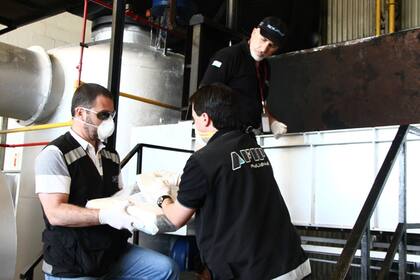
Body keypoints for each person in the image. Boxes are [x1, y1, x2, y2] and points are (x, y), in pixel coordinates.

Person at [139, 84, 311, 279]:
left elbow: (174, 219)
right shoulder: (252, 146)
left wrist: (161, 195)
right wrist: (185, 181)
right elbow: (234, 183)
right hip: (292, 263)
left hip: (254, 272)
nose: (195, 125)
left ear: (205, 119)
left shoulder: (202, 160)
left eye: (194, 120)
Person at [35, 83, 179, 279]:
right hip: (73, 260)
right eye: (103, 115)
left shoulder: (111, 155)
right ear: (79, 113)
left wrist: (144, 190)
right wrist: (104, 215)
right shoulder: (56, 154)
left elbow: (117, 198)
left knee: (166, 269)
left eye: (111, 116)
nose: (108, 121)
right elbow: (55, 213)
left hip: (109, 252)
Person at [200, 16, 288, 138]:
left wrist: (272, 122)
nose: (264, 49)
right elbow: (202, 97)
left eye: (271, 45)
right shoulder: (228, 56)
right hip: (223, 135)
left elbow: (258, 104)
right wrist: (207, 137)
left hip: (249, 136)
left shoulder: (265, 67)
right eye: (263, 39)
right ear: (254, 32)